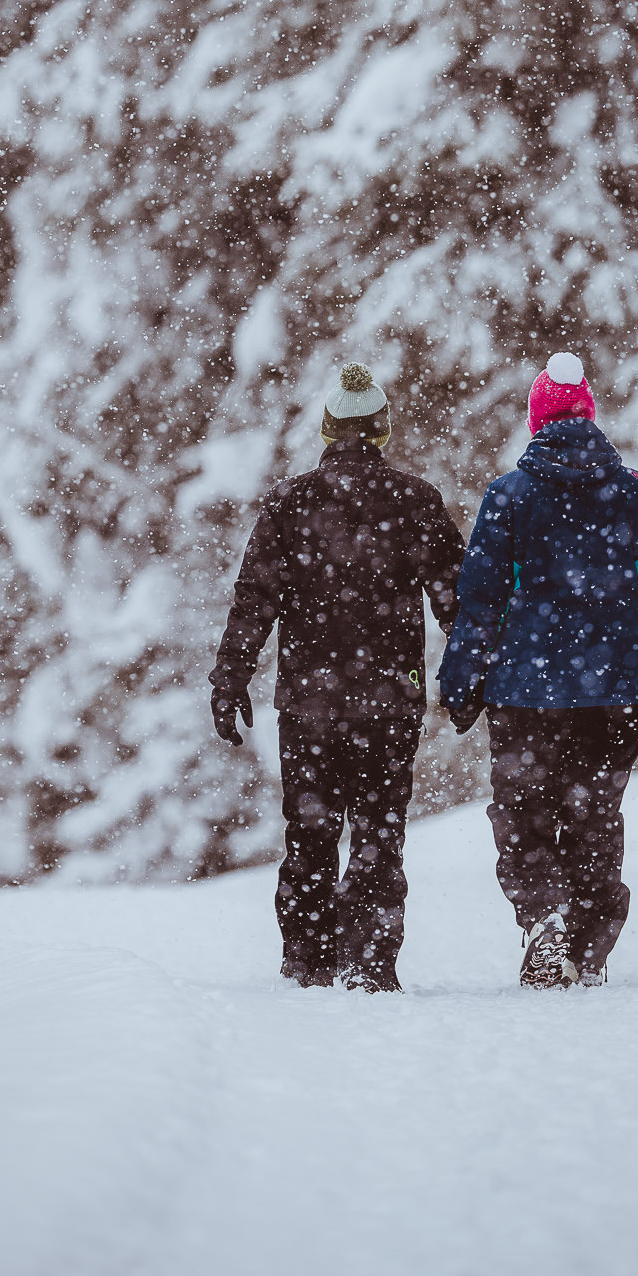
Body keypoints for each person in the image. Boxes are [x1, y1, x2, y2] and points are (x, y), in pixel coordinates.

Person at [438, 352, 638, 990]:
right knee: (595, 811)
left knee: (524, 811)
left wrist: (461, 683)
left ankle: (544, 920)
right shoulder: (633, 492)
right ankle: (588, 946)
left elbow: (480, 604)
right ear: (588, 417)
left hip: (527, 691)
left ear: (536, 422)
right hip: (619, 688)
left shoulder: (510, 496)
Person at [210, 363, 465, 991]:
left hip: (310, 703)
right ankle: (370, 963)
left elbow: (255, 598)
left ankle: (308, 959)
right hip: (390, 700)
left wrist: (230, 677)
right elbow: (456, 601)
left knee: (310, 830)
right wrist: (472, 675)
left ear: (327, 431)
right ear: (381, 430)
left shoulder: (290, 502)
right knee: (380, 830)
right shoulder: (415, 500)